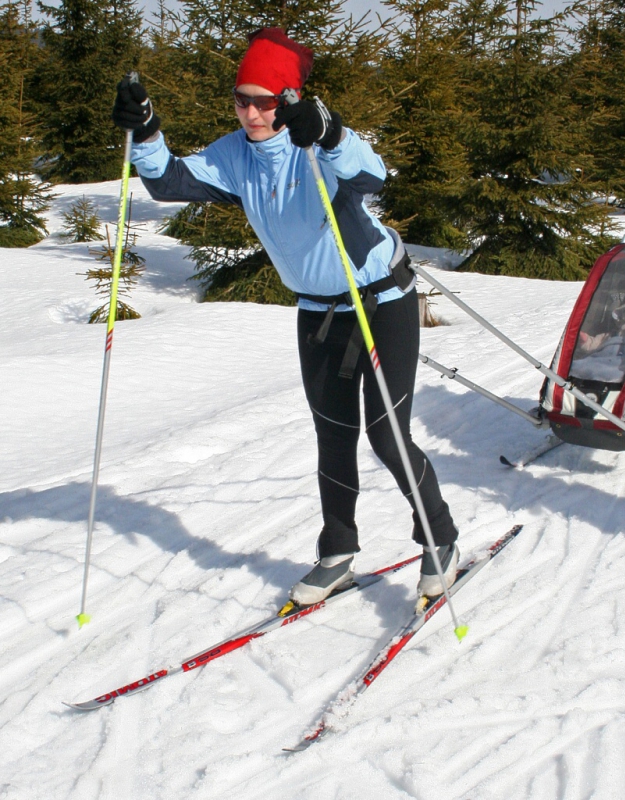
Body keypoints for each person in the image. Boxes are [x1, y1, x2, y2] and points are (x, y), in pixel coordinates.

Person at [112, 28, 459, 605]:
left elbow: (373, 176)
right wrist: (145, 131)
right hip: (317, 312)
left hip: (380, 302)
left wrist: (330, 133)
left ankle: (440, 538)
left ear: (288, 98)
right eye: (241, 99)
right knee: (332, 435)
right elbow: (169, 181)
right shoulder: (234, 155)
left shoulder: (317, 144)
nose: (250, 112)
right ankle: (338, 552)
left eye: (264, 100)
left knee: (386, 434)